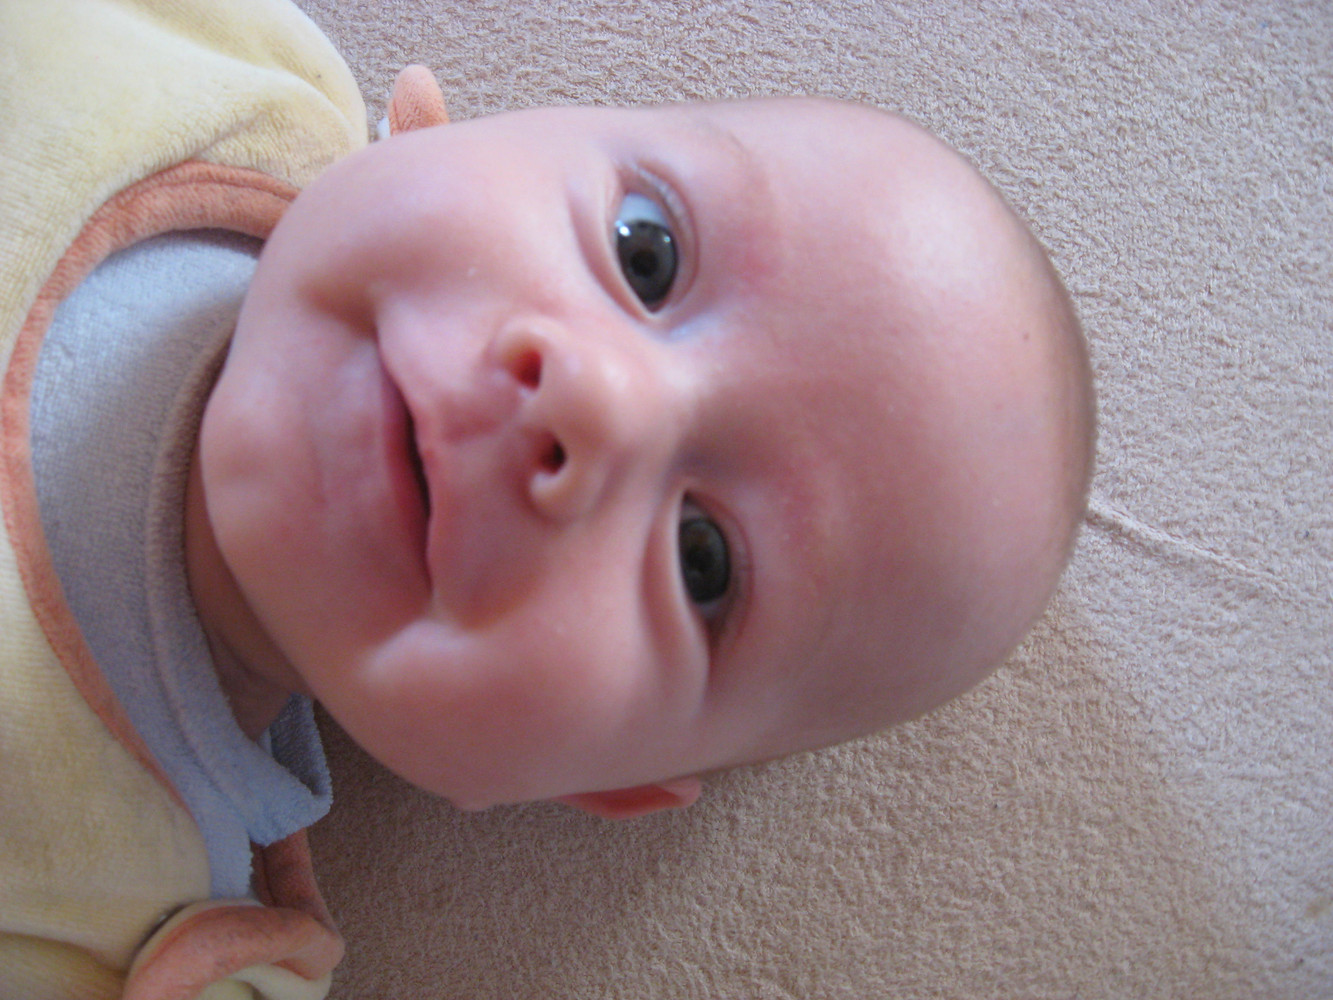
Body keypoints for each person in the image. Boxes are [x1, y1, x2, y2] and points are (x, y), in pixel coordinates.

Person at [0, 1, 1094, 996]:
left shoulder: (130, 947)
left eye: (702, 561)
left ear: (600, 780)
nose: (600, 405)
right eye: (644, 254)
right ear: (460, 135)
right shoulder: (219, 64)